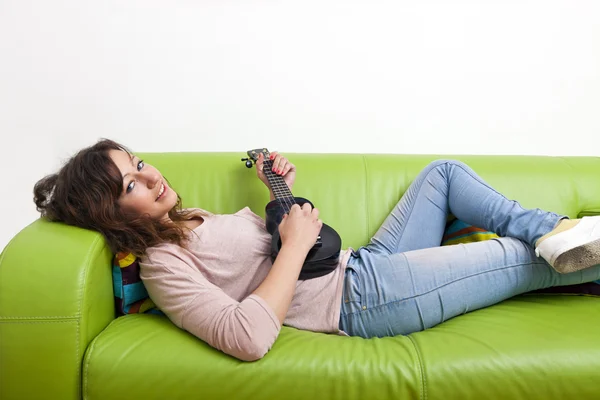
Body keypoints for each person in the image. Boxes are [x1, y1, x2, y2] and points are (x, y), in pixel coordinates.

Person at [33, 138, 600, 361]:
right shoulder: (161, 264)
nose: (150, 177)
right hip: (360, 303)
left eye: (137, 164)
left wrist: (274, 189)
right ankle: (566, 245)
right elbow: (246, 336)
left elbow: (265, 251)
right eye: (131, 185)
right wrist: (294, 243)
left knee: (443, 173)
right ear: (110, 214)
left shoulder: (190, 219)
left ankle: (554, 227)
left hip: (365, 265)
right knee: (514, 255)